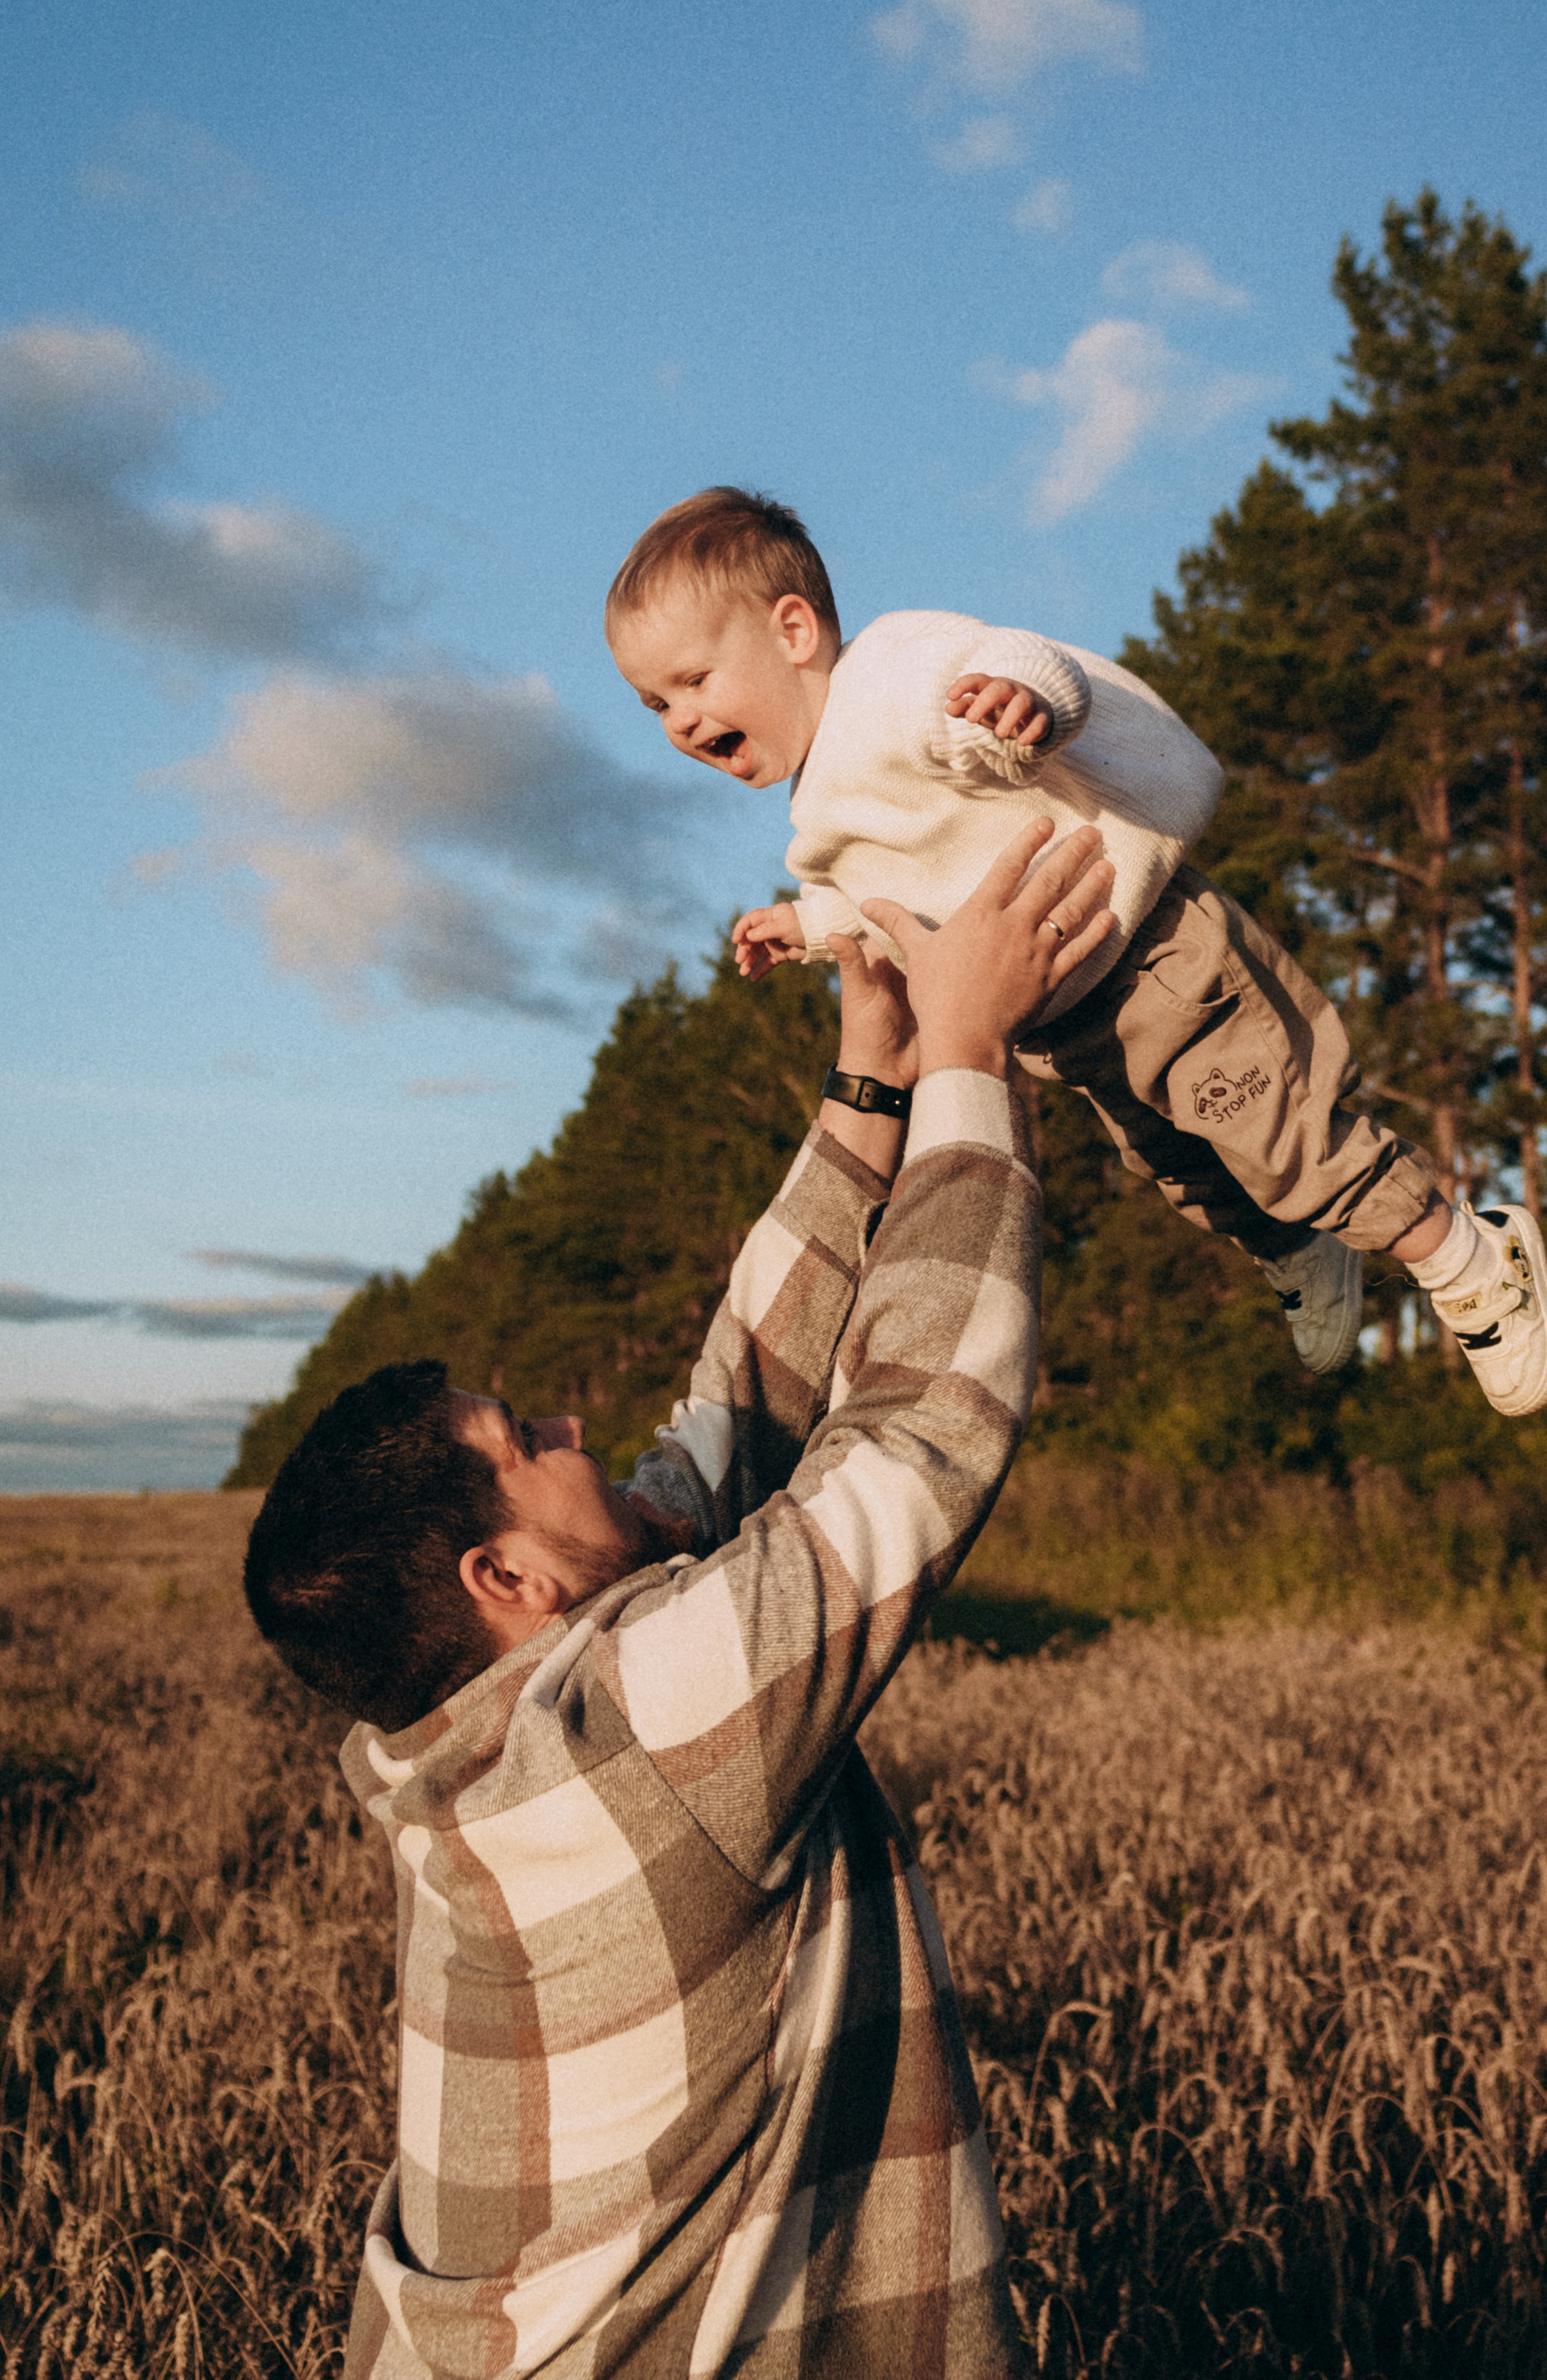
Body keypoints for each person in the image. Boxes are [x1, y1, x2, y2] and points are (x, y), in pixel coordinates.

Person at [244, 819, 1119, 2380]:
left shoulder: (472, 1742)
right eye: (531, 1444)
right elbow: (913, 1434)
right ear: (503, 1577)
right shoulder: (633, 1733)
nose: (583, 1436)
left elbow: (725, 1438)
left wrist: (871, 1084)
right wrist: (972, 1058)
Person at [603, 487, 1547, 1420]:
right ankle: (1300, 1246)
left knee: (1291, 1139)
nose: (682, 721)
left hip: (1158, 960)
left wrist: (1028, 701)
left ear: (793, 633)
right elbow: (889, 902)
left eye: (693, 681)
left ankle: (1473, 1259)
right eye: (654, 705)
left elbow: (1015, 662)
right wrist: (809, 927)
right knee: (1183, 1167)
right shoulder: (820, 804)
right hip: (1073, 1029)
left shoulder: (891, 678)